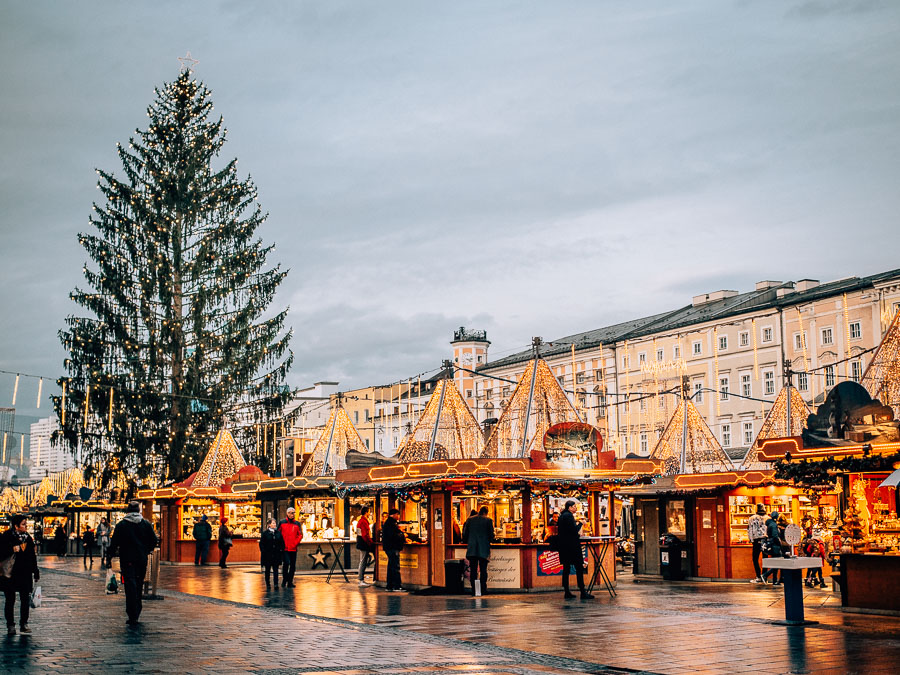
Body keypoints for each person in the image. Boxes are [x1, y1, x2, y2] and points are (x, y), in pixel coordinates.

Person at [109, 501, 158, 626]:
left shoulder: (122, 525)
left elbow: (114, 542)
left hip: (127, 559)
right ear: (138, 511)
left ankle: (132, 613)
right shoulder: (146, 524)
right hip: (141, 559)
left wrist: (110, 556)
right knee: (139, 584)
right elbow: (154, 540)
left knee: (129, 585)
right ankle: (137, 609)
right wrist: (146, 550)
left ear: (128, 511)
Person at [1, 514, 39, 635]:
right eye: (23, 524)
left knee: (24, 599)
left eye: (26, 524)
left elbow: (32, 556)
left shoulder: (27, 537)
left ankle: (24, 623)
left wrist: (35, 570)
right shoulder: (6, 536)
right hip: (11, 573)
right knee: (10, 599)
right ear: (16, 526)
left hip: (25, 573)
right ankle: (10, 625)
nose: (26, 527)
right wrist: (11, 549)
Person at [558, 500, 593, 599]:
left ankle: (567, 591)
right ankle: (582, 591)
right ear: (569, 507)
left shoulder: (562, 516)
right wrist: (581, 523)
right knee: (579, 567)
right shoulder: (568, 516)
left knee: (566, 569)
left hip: (564, 546)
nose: (575, 508)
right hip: (572, 546)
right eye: (574, 506)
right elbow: (573, 530)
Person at [463, 506, 495, 596]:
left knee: (473, 570)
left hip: (472, 549)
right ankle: (483, 590)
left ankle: (474, 590)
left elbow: (465, 534)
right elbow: (491, 536)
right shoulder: (488, 521)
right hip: (484, 549)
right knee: (483, 570)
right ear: (486, 512)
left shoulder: (470, 520)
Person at [381, 508, 407, 592]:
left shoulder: (388, 523)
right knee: (395, 567)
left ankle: (390, 586)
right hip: (392, 547)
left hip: (389, 547)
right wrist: (402, 535)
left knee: (391, 567)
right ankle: (397, 586)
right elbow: (394, 536)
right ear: (394, 515)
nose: (398, 516)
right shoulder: (391, 524)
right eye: (397, 514)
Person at [278, 507, 303, 587]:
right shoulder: (282, 522)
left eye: (294, 513)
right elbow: (278, 533)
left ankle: (290, 582)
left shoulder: (297, 523)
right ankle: (285, 580)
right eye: (291, 513)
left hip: (293, 548)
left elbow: (300, 535)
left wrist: (295, 543)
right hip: (285, 548)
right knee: (286, 563)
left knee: (292, 565)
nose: (293, 514)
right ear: (287, 513)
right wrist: (281, 544)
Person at [259, 518, 283, 589]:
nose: (274, 524)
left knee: (276, 570)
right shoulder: (265, 533)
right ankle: (268, 583)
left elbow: (281, 542)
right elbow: (261, 544)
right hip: (268, 555)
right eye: (273, 523)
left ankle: (276, 584)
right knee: (268, 570)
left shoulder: (278, 533)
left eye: (275, 523)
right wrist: (264, 551)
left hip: (276, 554)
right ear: (269, 525)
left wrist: (280, 550)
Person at [747, 504, 768, 583]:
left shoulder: (751, 518)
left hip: (756, 541)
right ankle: (764, 576)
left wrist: (751, 540)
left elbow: (749, 530)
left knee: (755, 558)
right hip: (765, 540)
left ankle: (758, 576)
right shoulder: (768, 518)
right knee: (765, 559)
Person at [355, 506, 375, 587]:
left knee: (363, 560)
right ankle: (361, 580)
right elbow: (365, 534)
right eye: (369, 512)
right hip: (364, 543)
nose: (369, 513)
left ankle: (361, 579)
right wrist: (370, 542)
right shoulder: (363, 521)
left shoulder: (361, 521)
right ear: (366, 512)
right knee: (363, 561)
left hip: (362, 542)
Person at [762, 511, 783, 585]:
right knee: (779, 562)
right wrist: (779, 543)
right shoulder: (774, 525)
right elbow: (775, 536)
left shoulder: (769, 524)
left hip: (772, 545)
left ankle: (775, 580)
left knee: (776, 562)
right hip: (775, 546)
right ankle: (765, 575)